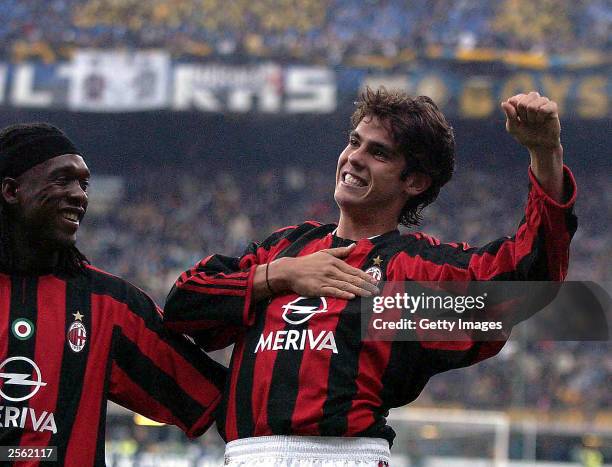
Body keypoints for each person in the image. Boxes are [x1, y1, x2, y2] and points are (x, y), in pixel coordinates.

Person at [164, 88, 577, 465]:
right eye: (354, 142)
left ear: (414, 181)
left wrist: (545, 154)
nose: (354, 158)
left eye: (378, 153)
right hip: (245, 456)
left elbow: (529, 278)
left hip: (345, 457)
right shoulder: (282, 249)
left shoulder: (413, 274)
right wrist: (278, 276)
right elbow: (184, 306)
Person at [0, 123, 227, 466]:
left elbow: (219, 398)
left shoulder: (110, 306)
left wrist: (268, 279)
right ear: (11, 190)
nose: (80, 195)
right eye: (63, 180)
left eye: (84, 183)